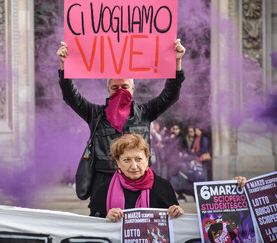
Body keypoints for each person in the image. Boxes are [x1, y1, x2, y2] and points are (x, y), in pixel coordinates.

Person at [57, 39, 186, 216]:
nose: (120, 91)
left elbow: (170, 94)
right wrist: (65, 65)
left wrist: (177, 62)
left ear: (132, 88)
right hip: (104, 182)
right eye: (114, 87)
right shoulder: (95, 114)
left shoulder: (145, 112)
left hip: (137, 179)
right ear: (108, 90)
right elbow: (72, 97)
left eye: (124, 87)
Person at [102, 133, 184, 221]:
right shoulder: (105, 190)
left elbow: (175, 222)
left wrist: (177, 212)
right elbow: (94, 225)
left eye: (138, 159)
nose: (134, 166)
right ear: (118, 162)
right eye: (127, 160)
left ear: (147, 159)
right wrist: (106, 219)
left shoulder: (162, 186)